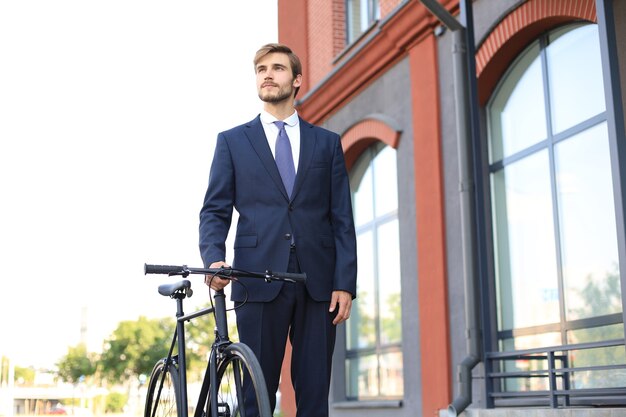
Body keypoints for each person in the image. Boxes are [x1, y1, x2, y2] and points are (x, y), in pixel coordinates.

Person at [198, 43, 357, 417]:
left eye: (278, 68)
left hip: (317, 283)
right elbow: (215, 210)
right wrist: (214, 259)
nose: (267, 74)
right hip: (257, 278)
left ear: (297, 79)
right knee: (257, 391)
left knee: (315, 393)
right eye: (260, 69)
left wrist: (345, 282)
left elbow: (342, 219)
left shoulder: (327, 144)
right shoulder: (233, 142)